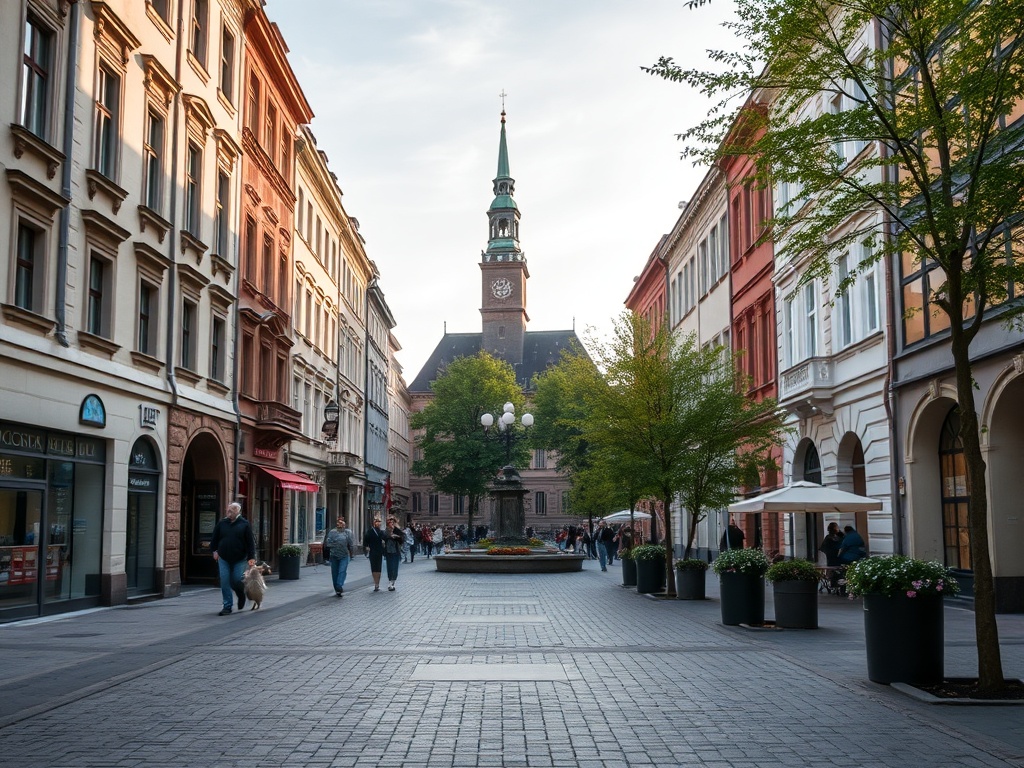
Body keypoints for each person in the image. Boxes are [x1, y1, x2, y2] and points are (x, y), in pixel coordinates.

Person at [210, 502, 256, 615]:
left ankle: (241, 595)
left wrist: (251, 558)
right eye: (228, 510)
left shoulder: (244, 524)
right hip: (223, 557)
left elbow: (250, 543)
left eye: (231, 511)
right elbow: (214, 539)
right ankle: (227, 606)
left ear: (237, 512)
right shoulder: (222, 523)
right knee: (225, 581)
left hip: (239, 558)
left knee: (236, 580)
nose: (228, 513)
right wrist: (214, 551)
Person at [323, 517, 357, 597]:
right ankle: (337, 589)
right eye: (339, 523)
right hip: (334, 555)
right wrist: (335, 544)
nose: (340, 524)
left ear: (345, 525)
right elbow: (328, 543)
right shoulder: (332, 532)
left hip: (344, 555)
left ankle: (339, 585)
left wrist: (351, 554)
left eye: (342, 523)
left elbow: (351, 544)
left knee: (342, 570)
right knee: (335, 572)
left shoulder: (347, 533)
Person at [363, 517, 387, 591]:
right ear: (374, 523)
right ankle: (375, 583)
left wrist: (384, 544)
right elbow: (365, 541)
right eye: (377, 522)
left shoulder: (381, 532)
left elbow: (385, 539)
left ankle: (377, 583)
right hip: (372, 551)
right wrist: (367, 547)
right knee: (374, 568)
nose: (378, 523)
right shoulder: (369, 532)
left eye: (379, 522)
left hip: (379, 552)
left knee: (379, 568)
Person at [383, 515, 404, 591]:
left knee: (395, 568)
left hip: (396, 551)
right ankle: (390, 581)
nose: (391, 523)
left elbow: (402, 540)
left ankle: (393, 582)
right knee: (390, 567)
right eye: (390, 522)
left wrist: (397, 537)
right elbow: (383, 538)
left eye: (393, 522)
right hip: (388, 551)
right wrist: (389, 536)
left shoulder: (397, 530)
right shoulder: (386, 531)